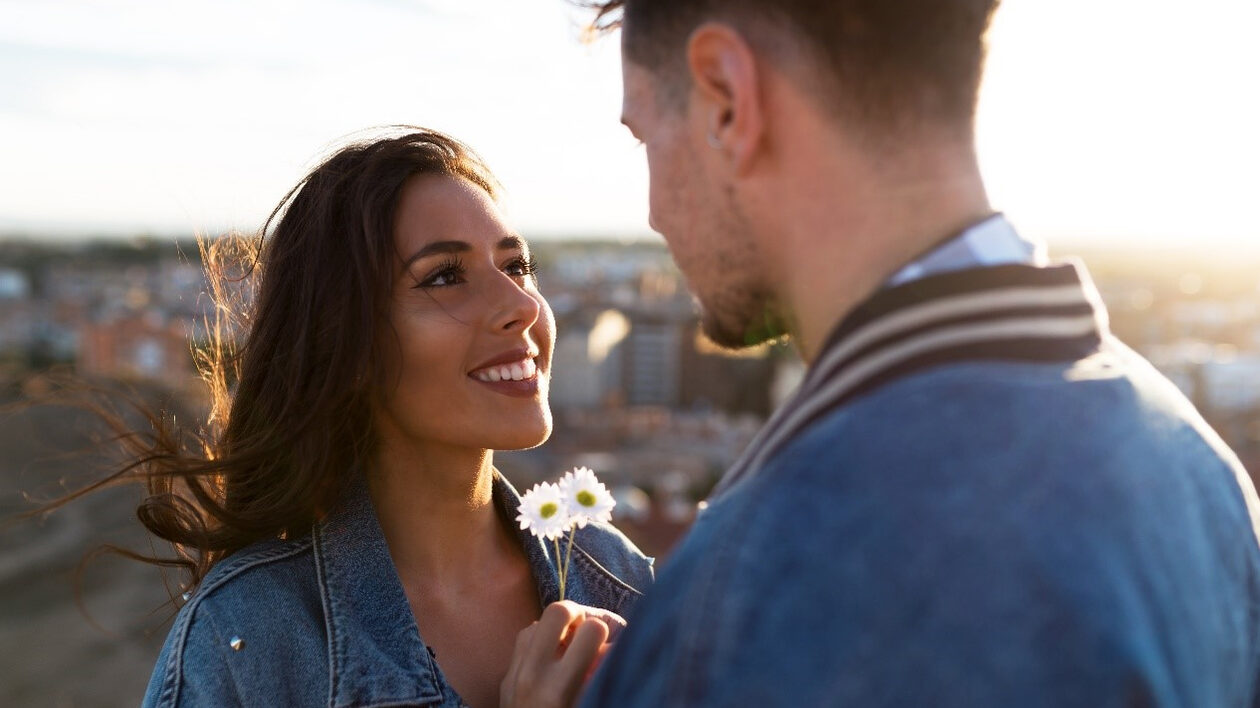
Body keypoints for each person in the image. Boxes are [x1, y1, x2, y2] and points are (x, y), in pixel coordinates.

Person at [502, 1, 1260, 705]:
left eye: (644, 138)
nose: (654, 212)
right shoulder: (1196, 465)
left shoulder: (777, 571)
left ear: (727, 97)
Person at [57, 129, 655, 707]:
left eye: (517, 266)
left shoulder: (619, 579)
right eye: (445, 276)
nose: (523, 306)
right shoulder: (249, 640)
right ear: (345, 342)